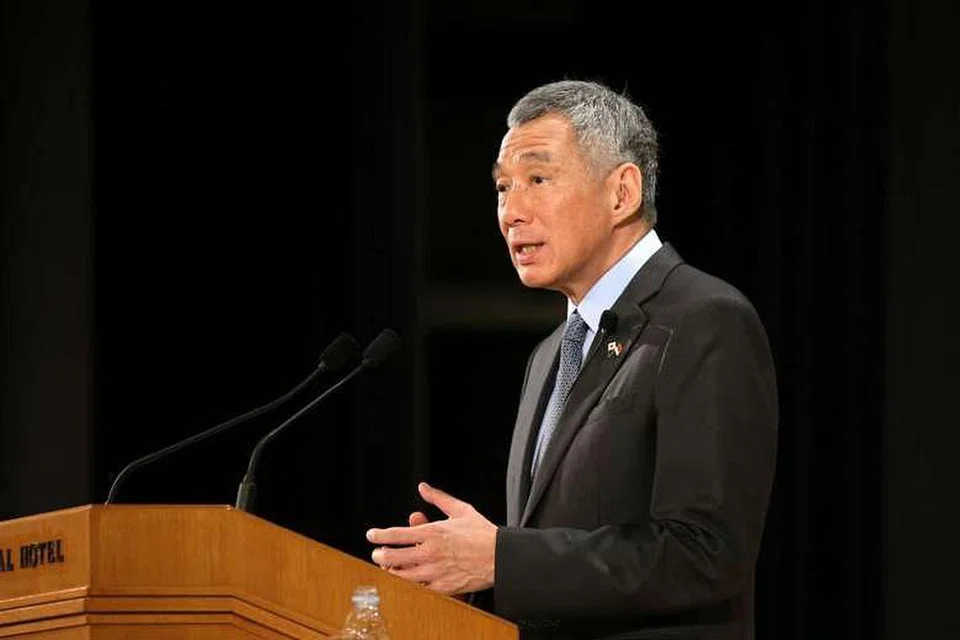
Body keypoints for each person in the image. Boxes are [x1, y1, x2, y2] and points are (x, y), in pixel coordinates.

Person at [366, 80, 777, 640]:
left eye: (538, 179)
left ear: (622, 193)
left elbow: (706, 552)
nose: (511, 212)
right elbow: (558, 560)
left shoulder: (705, 320)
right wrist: (474, 576)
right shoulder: (549, 356)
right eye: (503, 187)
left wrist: (502, 559)